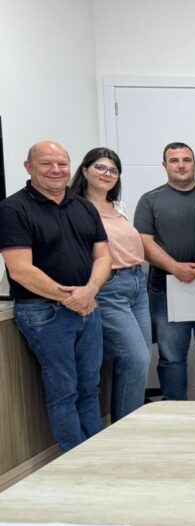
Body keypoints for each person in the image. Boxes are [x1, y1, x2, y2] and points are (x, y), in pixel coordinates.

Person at [0, 141, 111, 451]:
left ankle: (95, 454)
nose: (56, 170)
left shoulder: (83, 206)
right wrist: (70, 297)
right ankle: (75, 460)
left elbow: (103, 256)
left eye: (62, 164)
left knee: (90, 388)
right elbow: (20, 270)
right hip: (44, 314)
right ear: (29, 167)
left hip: (88, 308)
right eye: (46, 163)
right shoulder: (13, 209)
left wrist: (89, 292)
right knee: (65, 392)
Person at [134, 142, 195, 401]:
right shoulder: (150, 200)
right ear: (165, 165)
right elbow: (144, 242)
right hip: (166, 285)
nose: (181, 165)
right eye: (174, 160)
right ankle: (174, 408)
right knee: (171, 356)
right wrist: (175, 268)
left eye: (187, 159)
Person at [70, 148, 151, 422]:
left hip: (137, 284)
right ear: (85, 170)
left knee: (140, 359)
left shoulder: (118, 206)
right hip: (109, 288)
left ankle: (131, 424)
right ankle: (125, 433)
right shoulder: (75, 207)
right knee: (135, 358)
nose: (107, 174)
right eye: (100, 168)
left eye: (113, 170)